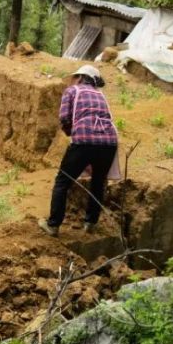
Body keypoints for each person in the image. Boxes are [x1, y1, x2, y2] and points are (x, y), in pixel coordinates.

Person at [39, 64, 119, 237]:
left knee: (62, 182)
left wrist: (70, 132)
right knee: (98, 182)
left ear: (82, 77)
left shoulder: (72, 91)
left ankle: (53, 225)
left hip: (84, 141)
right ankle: (91, 223)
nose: (72, 80)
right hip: (110, 142)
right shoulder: (101, 95)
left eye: (75, 77)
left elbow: (64, 117)